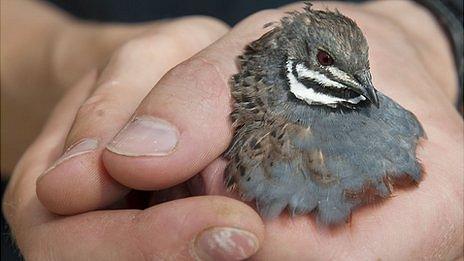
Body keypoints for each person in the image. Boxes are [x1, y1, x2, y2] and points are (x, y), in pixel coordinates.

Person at [2, 0, 463, 260]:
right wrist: (73, 67)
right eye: (326, 62)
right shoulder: (248, 125)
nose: (361, 84)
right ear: (296, 58)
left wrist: (437, 31)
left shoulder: (374, 104)